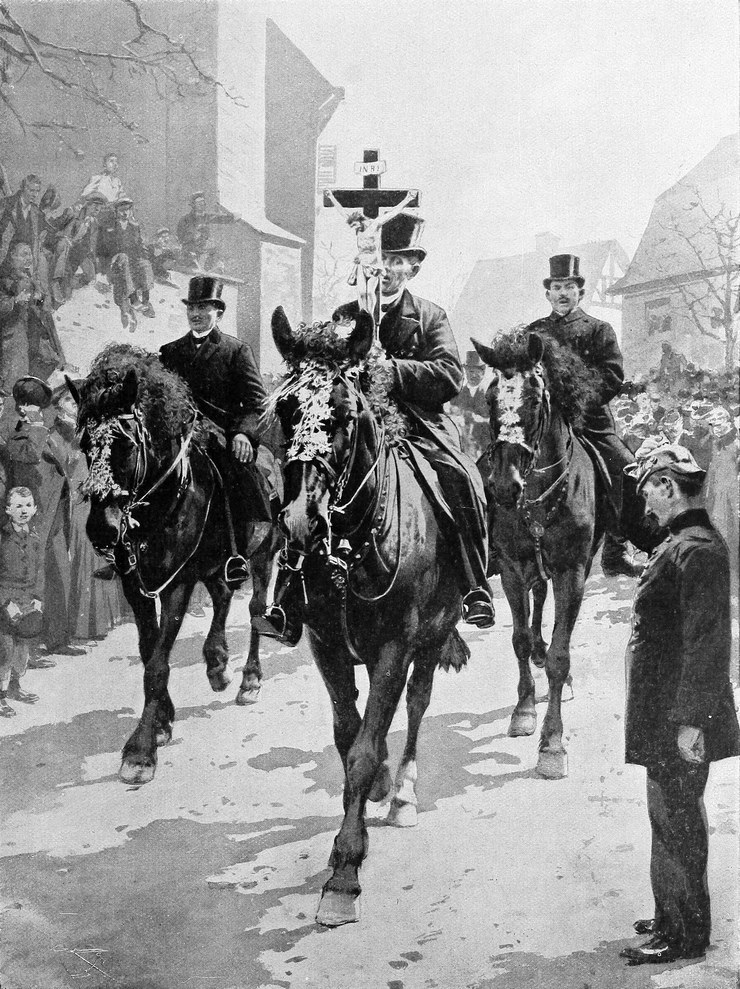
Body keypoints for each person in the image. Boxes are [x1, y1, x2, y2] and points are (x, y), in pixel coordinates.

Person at [255, 211, 495, 645]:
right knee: (306, 481)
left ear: (413, 268)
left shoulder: (430, 316)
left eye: (397, 260)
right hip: (351, 423)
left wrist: (392, 368)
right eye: (381, 258)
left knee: (462, 477)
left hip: (417, 424)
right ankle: (286, 600)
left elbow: (449, 375)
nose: (387, 267)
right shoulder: (346, 314)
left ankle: (473, 584)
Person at [619, 443, 740, 965]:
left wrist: (692, 723)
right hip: (663, 712)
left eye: (647, 489)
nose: (644, 501)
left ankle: (685, 933)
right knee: (666, 815)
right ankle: (671, 913)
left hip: (679, 716)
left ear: (668, 486)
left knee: (678, 820)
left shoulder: (698, 550)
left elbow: (707, 645)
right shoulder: (681, 542)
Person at [526, 254, 661, 576]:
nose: (562, 293)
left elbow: (612, 376)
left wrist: (577, 402)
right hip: (542, 423)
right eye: (557, 287)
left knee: (627, 472)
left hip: (590, 423)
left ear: (580, 292)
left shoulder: (599, 330)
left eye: (569, 287)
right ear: (548, 293)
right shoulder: (534, 332)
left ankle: (616, 548)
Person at [159, 275, 271, 584]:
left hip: (219, 436)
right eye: (191, 308)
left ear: (218, 313)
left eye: (203, 308)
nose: (195, 314)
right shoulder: (169, 351)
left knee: (237, 476)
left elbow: (256, 402)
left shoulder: (236, 350)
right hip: (177, 436)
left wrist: (243, 433)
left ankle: (236, 553)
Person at [324, 188, 416, 313]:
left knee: (370, 292)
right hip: (362, 264)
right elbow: (342, 211)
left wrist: (408, 199)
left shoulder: (375, 225)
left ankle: (370, 315)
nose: (354, 228)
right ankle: (364, 314)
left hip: (374, 265)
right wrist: (331, 197)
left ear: (360, 221)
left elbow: (392, 213)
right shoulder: (358, 228)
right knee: (362, 292)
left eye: (354, 225)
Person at [0, 486, 45, 716]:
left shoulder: (35, 538)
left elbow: (39, 572)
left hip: (27, 600)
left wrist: (38, 598)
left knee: (22, 648)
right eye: (18, 506)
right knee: (5, 650)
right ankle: (0, 697)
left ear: (35, 509)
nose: (24, 510)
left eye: (28, 505)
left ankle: (15, 687)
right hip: (5, 602)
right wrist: (6, 602)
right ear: (8, 509)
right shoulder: (3, 538)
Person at [0, 242, 65, 397]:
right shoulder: (4, 278)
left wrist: (39, 297)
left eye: (29, 254)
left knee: (50, 359)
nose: (28, 258)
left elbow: (42, 301)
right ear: (12, 256)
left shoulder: (29, 277)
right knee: (15, 373)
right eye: (24, 254)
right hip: (13, 331)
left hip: (32, 327)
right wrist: (15, 301)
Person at [98, 196, 155, 329]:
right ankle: (133, 298)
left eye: (128, 210)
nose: (125, 213)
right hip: (116, 262)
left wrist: (144, 256)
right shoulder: (110, 227)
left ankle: (146, 300)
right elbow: (104, 248)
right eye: (122, 210)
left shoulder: (134, 227)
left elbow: (139, 245)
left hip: (132, 261)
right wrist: (113, 257)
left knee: (145, 263)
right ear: (116, 211)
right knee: (123, 257)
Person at [176, 192, 234, 273]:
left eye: (203, 202)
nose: (201, 204)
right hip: (190, 250)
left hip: (203, 249)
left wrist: (230, 215)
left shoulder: (206, 217)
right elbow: (181, 237)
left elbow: (223, 218)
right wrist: (194, 235)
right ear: (193, 205)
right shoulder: (185, 219)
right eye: (199, 203)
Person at [449, 349, 489, 459]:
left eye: (477, 372)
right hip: (462, 446)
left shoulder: (489, 394)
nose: (474, 375)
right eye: (471, 371)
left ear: (483, 373)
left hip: (483, 445)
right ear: (465, 372)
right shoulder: (458, 393)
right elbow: (450, 411)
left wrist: (481, 419)